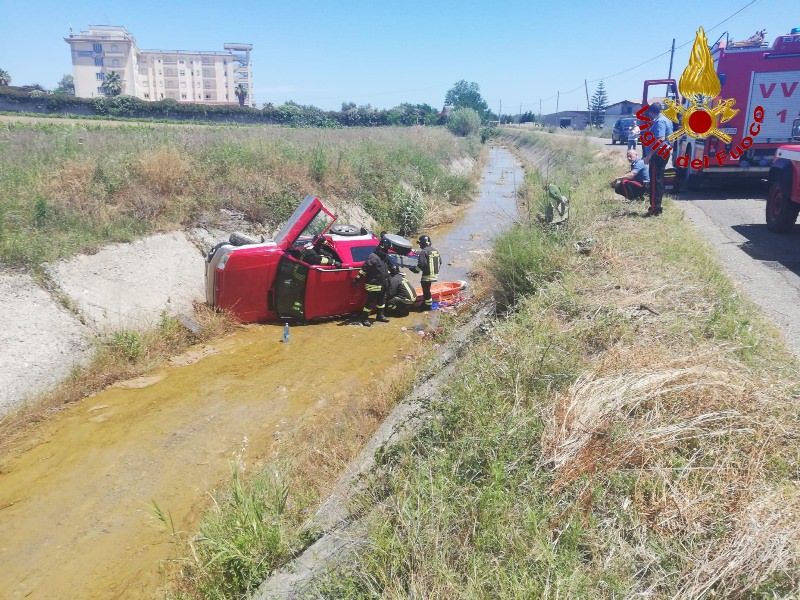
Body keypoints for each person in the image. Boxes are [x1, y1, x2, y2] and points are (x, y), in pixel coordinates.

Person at [642, 102, 673, 217]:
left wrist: (649, 155)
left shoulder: (659, 121)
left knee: (655, 181)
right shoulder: (666, 120)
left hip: (658, 155)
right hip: (662, 153)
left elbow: (660, 140)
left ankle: (655, 208)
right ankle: (657, 207)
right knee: (658, 180)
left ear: (651, 112)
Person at [353, 237, 392, 326]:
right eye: (387, 248)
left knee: (382, 301)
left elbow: (388, 267)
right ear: (382, 247)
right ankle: (364, 318)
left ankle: (380, 315)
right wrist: (357, 279)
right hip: (373, 284)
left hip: (383, 283)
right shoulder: (373, 257)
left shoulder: (384, 256)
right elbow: (364, 269)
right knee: (370, 302)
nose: (387, 251)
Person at [409, 235, 440, 310]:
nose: (419, 245)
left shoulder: (424, 251)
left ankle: (427, 306)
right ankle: (427, 303)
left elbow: (422, 264)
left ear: (423, 243)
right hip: (435, 274)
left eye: (420, 243)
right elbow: (440, 261)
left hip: (427, 275)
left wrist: (414, 270)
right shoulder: (435, 250)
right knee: (427, 289)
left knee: (426, 291)